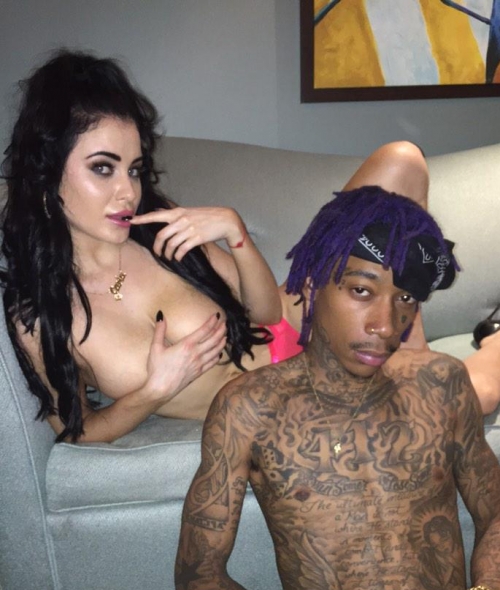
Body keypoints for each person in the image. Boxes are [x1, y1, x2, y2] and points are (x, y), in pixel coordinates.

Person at [175, 186, 500, 590]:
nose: (386, 324)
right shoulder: (248, 408)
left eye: (405, 299)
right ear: (309, 284)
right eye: (361, 290)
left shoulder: (442, 383)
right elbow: (197, 574)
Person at [0, 49, 430, 444]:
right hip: (283, 393)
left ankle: (415, 353)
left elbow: (269, 313)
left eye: (133, 170)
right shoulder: (38, 313)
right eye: (102, 168)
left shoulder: (158, 227)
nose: (128, 192)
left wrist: (234, 231)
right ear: (46, 172)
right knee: (435, 399)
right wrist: (155, 391)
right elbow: (77, 431)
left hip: (301, 324)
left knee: (401, 161)